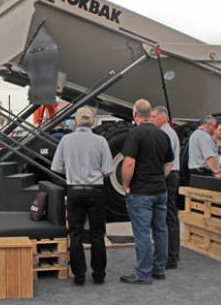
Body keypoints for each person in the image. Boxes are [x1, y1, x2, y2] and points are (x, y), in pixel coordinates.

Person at [51, 106, 113, 286]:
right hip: (96, 191)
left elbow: (56, 167)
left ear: (76, 121)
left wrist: (72, 170)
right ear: (92, 122)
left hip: (75, 190)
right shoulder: (101, 141)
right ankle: (99, 274)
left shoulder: (66, 140)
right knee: (97, 234)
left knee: (75, 234)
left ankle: (79, 275)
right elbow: (108, 170)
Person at [120, 100, 174, 285]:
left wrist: (125, 185)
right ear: (150, 114)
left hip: (141, 192)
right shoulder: (163, 135)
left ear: (135, 114)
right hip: (160, 190)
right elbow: (169, 164)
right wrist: (160, 178)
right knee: (160, 230)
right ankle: (159, 269)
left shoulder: (135, 133)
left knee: (142, 233)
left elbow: (128, 163)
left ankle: (143, 274)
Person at [151, 106, 181, 269]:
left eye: (154, 116)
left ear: (163, 117)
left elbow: (166, 161)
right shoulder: (168, 132)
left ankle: (171, 256)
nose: (152, 119)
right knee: (170, 215)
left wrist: (159, 178)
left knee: (169, 216)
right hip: (171, 175)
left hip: (169, 175)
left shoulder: (166, 134)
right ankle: (173, 253)